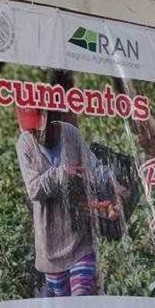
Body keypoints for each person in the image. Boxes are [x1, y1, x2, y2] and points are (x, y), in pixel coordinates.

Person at [14, 106, 106, 297]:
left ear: (50, 118)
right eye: (30, 129)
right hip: (50, 242)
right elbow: (34, 189)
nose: (35, 134)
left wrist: (110, 181)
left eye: (38, 128)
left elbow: (92, 165)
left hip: (80, 235)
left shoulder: (70, 133)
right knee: (61, 301)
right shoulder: (25, 144)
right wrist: (61, 173)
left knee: (81, 298)